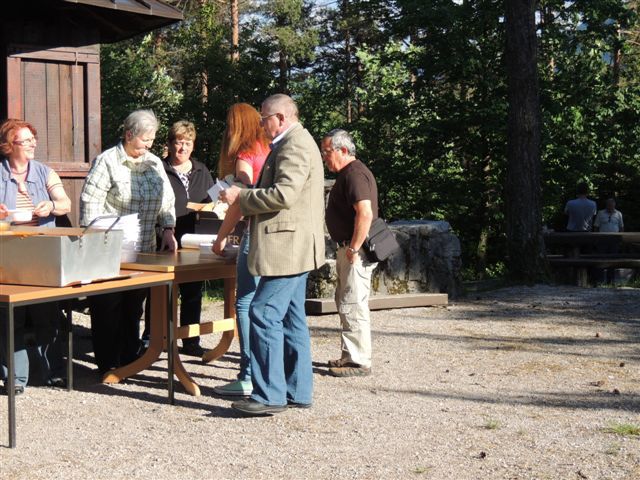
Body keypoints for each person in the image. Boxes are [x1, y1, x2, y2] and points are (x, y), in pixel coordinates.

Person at [219, 94, 325, 415]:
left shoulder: (294, 145)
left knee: (263, 313)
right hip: (294, 245)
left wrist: (242, 196)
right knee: (292, 318)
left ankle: (269, 395)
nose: (261, 124)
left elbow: (285, 194)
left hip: (287, 247)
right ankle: (297, 390)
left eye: (264, 118)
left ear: (280, 117)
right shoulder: (294, 142)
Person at [79, 109, 177, 377]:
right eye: (145, 139)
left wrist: (167, 229)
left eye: (152, 140)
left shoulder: (154, 163)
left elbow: (166, 200)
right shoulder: (107, 161)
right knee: (108, 305)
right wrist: (94, 239)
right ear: (129, 134)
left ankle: (130, 358)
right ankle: (108, 363)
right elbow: (90, 202)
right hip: (110, 249)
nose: (149, 144)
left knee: (134, 305)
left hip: (145, 248)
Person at [0, 118, 72, 394]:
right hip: (8, 254)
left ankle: (50, 372)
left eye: (33, 139)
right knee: (10, 317)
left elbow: (64, 203)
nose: (32, 145)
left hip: (42, 252)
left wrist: (52, 206)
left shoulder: (45, 173)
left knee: (47, 315)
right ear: (9, 145)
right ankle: (15, 379)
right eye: (26, 140)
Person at [212, 103, 270, 397]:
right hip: (274, 239)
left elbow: (240, 200)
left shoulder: (245, 155)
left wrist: (221, 237)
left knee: (245, 303)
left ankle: (247, 375)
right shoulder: (270, 150)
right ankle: (267, 373)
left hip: (254, 235)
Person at [321, 129, 377, 377]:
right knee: (347, 302)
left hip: (355, 250)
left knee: (353, 303)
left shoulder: (354, 174)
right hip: (351, 248)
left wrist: (353, 248)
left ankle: (358, 361)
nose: (324, 157)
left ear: (343, 150)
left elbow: (365, 213)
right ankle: (350, 355)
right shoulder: (350, 173)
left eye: (327, 151)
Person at [162, 120, 215, 357]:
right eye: (178, 142)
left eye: (187, 143)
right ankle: (157, 337)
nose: (182, 148)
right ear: (170, 144)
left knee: (192, 291)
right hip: (164, 238)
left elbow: (215, 202)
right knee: (163, 291)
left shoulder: (203, 171)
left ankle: (191, 341)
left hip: (195, 239)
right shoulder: (159, 169)